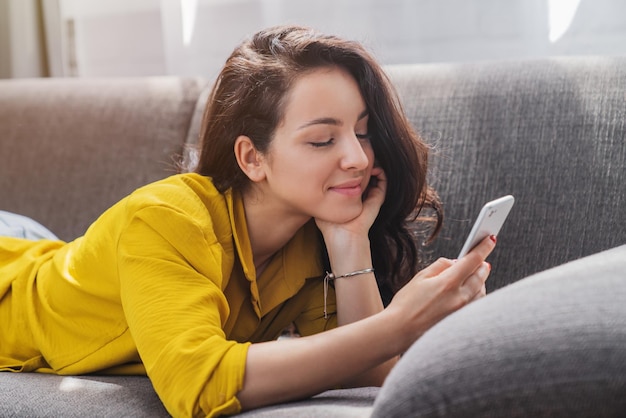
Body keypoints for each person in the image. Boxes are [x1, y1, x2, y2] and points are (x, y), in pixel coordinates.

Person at [0, 25, 495, 417]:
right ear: (252, 158)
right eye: (323, 140)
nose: (357, 159)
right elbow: (196, 386)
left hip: (51, 256)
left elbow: (363, 365)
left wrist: (349, 240)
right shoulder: (165, 219)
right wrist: (397, 324)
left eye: (362, 134)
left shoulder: (304, 240)